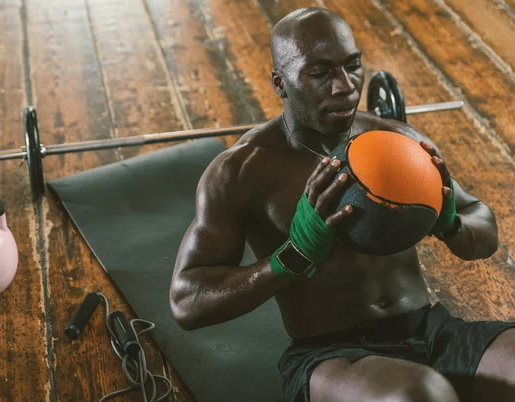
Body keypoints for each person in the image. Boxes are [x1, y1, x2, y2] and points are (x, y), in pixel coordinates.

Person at [169, 7, 515, 402]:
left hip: (431, 331)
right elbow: (187, 301)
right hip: (331, 356)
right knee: (420, 395)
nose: (344, 86)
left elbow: (483, 231)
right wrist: (292, 259)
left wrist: (451, 222)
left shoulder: (396, 141)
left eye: (352, 66)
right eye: (320, 73)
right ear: (280, 83)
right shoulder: (241, 171)